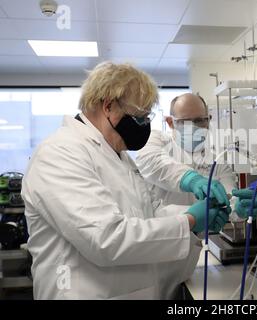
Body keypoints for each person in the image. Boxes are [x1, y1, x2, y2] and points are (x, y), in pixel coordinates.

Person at [21, 62, 230, 300]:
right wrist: (190, 220)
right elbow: (106, 238)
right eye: (139, 117)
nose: (144, 126)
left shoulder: (117, 155)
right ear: (108, 106)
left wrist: (196, 218)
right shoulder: (59, 153)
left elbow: (150, 212)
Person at [135, 93, 257, 298]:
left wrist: (239, 206)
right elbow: (151, 161)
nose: (195, 126)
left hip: (189, 259)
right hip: (153, 254)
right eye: (185, 122)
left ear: (209, 120)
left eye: (200, 120)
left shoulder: (217, 160)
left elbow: (228, 199)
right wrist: (191, 179)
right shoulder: (157, 141)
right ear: (170, 122)